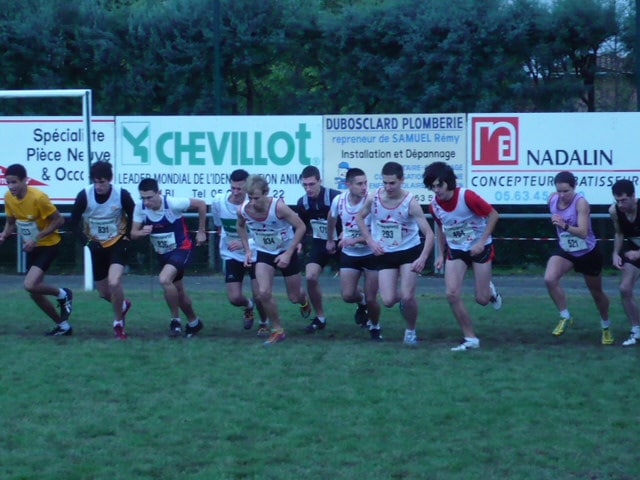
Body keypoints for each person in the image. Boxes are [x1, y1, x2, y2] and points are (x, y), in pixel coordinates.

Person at [422, 161, 502, 352]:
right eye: (432, 186)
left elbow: (493, 215)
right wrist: (441, 254)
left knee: (481, 299)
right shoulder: (434, 206)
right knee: (451, 293)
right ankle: (470, 338)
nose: (436, 190)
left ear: (448, 182)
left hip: (479, 247)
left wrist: (481, 242)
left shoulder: (466, 196)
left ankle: (489, 292)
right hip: (457, 250)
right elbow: (441, 228)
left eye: (439, 185)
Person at [356, 161, 434, 345]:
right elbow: (359, 217)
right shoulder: (374, 198)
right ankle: (406, 302)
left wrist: (422, 258)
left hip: (408, 251)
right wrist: (370, 240)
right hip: (386, 253)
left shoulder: (410, 203)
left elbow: (429, 234)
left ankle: (411, 330)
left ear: (402, 180)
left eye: (392, 183)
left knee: (407, 296)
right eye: (385, 182)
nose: (388, 187)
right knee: (389, 300)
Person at [0, 163, 73, 335]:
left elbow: (59, 220)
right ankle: (63, 327)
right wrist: (3, 235)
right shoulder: (9, 198)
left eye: (14, 182)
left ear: (25, 180)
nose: (11, 186)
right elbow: (10, 222)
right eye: (8, 182)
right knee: (34, 292)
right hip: (32, 247)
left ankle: (63, 293)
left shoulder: (38, 198)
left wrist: (36, 238)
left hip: (48, 245)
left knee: (30, 284)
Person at [130, 178, 207, 337]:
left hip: (181, 248)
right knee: (178, 291)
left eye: (150, 197)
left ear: (159, 192)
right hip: (163, 253)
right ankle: (194, 322)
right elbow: (133, 233)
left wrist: (201, 231)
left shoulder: (172, 203)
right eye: (143, 198)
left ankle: (175, 321)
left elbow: (201, 204)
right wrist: (141, 232)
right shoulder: (140, 208)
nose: (147, 201)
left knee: (164, 279)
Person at [237, 174, 307, 345]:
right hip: (264, 252)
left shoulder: (279, 207)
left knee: (294, 297)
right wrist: (247, 250)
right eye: (250, 198)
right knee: (263, 293)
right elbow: (240, 226)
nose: (253, 202)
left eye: (257, 198)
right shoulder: (244, 210)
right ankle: (277, 330)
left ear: (266, 193)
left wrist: (288, 253)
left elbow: (301, 227)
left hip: (285, 250)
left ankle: (303, 300)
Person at [68, 161, 135, 339]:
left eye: (103, 182)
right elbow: (73, 223)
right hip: (96, 246)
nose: (99, 186)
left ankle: (118, 323)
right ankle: (122, 305)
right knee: (104, 293)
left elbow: (134, 214)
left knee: (114, 282)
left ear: (110, 180)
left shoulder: (121, 194)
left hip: (117, 243)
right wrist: (87, 243)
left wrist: (128, 235)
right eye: (96, 182)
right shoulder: (84, 195)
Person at [544, 171, 612, 344]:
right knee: (549, 279)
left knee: (596, 293)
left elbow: (582, 232)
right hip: (566, 250)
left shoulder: (581, 203)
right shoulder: (552, 199)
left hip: (587, 251)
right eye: (559, 191)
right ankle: (565, 316)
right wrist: (562, 228)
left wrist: (564, 225)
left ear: (574, 188)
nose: (562, 195)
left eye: (566, 191)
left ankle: (606, 326)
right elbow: (555, 213)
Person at [211, 169, 269, 336]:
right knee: (234, 298)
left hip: (255, 253)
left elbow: (263, 231)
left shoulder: (254, 205)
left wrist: (246, 243)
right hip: (232, 254)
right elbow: (218, 224)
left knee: (259, 294)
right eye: (233, 188)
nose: (236, 192)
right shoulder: (219, 201)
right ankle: (248, 306)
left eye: (240, 189)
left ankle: (264, 322)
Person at [326, 167, 382, 340]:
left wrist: (355, 240)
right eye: (359, 184)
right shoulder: (339, 200)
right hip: (350, 253)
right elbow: (331, 218)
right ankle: (361, 302)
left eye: (365, 183)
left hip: (371, 252)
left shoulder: (373, 201)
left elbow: (377, 233)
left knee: (373, 298)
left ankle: (375, 326)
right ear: (348, 184)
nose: (364, 187)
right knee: (348, 295)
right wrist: (330, 239)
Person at [295, 165, 341, 333]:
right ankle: (320, 317)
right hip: (320, 242)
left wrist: (343, 237)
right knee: (310, 277)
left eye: (312, 184)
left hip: (340, 242)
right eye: (305, 185)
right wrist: (298, 241)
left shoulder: (336, 198)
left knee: (348, 291)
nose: (308, 188)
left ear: (320, 181)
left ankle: (362, 303)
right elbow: (301, 225)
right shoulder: (303, 203)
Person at [609, 179, 640, 346]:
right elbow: (619, 232)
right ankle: (636, 329)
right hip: (634, 252)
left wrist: (638, 253)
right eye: (617, 200)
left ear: (633, 196)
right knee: (624, 288)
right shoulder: (614, 211)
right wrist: (615, 253)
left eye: (624, 200)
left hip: (637, 252)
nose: (620, 204)